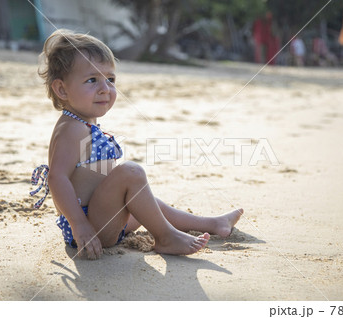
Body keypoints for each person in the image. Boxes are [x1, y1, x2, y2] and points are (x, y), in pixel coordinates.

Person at [30, 29, 243, 260]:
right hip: (90, 228)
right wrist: (79, 224)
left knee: (148, 203)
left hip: (103, 218)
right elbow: (57, 178)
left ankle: (212, 223)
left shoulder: (85, 123)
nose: (105, 88)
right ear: (62, 89)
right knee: (131, 172)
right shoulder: (71, 128)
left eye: (110, 79)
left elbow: (92, 177)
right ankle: (166, 238)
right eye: (92, 80)